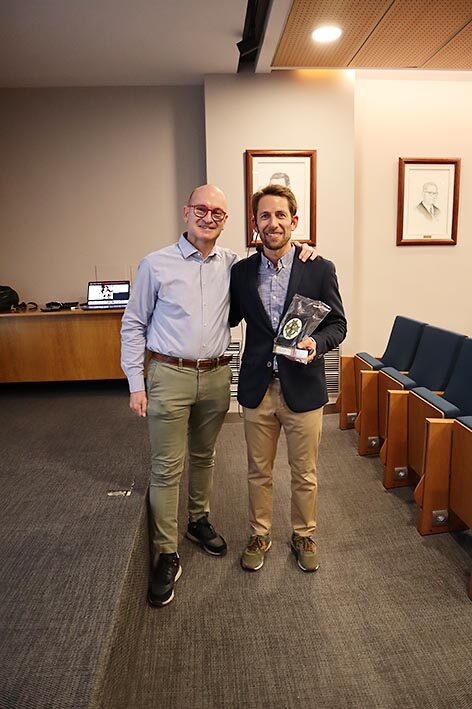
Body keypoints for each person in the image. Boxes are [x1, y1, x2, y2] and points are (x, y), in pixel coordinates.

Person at [121, 184, 318, 607]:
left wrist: (303, 251)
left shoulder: (234, 265)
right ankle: (166, 553)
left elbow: (280, 265)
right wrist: (136, 383)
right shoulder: (156, 264)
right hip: (169, 373)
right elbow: (133, 323)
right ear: (186, 212)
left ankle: (198, 521)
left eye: (218, 213)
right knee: (167, 467)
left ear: (227, 221)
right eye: (201, 209)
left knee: (205, 456)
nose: (208, 217)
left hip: (215, 376)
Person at [229, 183, 346, 574]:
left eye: (281, 215)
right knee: (258, 471)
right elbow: (227, 316)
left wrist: (317, 342)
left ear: (294, 221)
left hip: (303, 386)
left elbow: (338, 325)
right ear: (255, 223)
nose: (273, 223)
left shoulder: (319, 268)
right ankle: (259, 534)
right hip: (257, 389)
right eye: (265, 215)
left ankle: (303, 534)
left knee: (305, 473)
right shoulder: (241, 272)